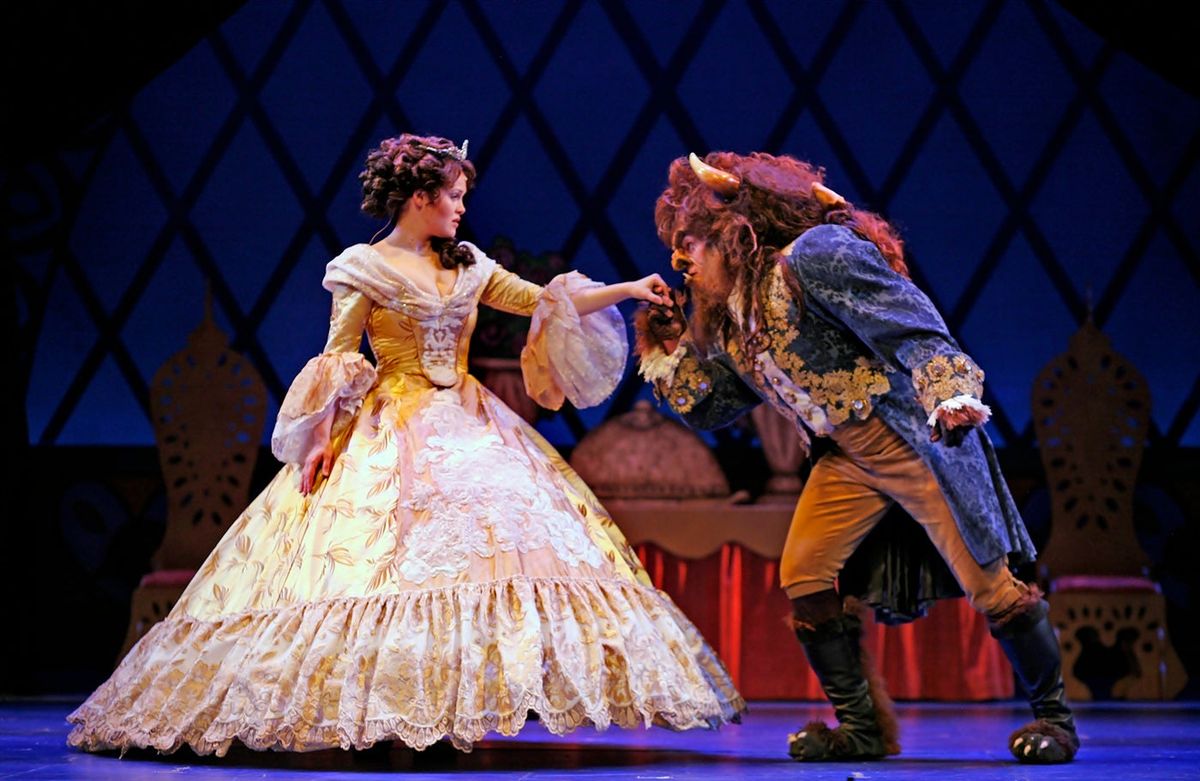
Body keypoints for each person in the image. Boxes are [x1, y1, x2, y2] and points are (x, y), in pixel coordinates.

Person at [67, 134, 744, 756]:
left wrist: (628, 288)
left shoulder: (468, 265)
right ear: (419, 197)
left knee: (489, 557)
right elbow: (338, 356)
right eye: (454, 195)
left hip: (472, 424)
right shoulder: (364, 268)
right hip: (392, 425)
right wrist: (322, 438)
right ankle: (383, 712)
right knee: (379, 567)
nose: (462, 208)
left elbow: (543, 300)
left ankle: (443, 711)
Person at [635, 151, 1078, 764]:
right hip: (845, 456)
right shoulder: (736, 319)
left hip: (909, 440)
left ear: (734, 233)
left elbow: (913, 322)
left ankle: (1055, 721)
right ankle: (862, 729)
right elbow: (713, 408)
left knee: (991, 586)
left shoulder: (813, 257)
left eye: (688, 244)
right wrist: (668, 347)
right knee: (805, 574)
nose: (680, 262)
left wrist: (947, 390)